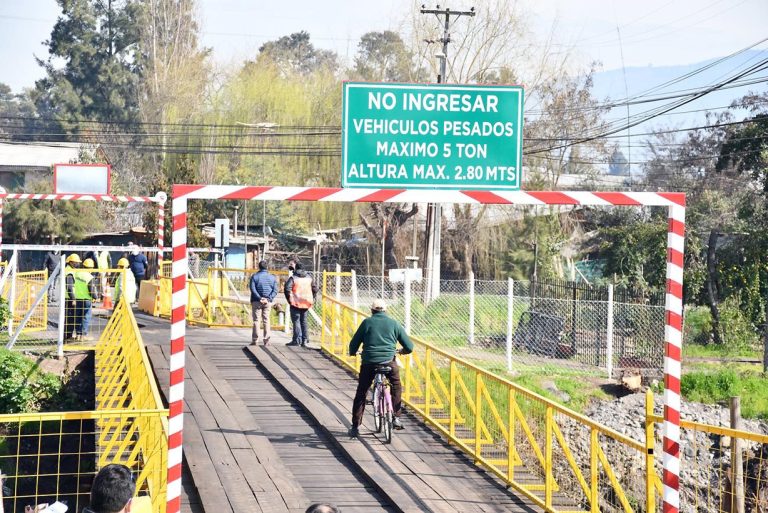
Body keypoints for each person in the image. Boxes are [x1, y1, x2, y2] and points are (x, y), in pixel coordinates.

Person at [347, 299, 413, 437]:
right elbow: (409, 346)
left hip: (369, 363)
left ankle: (355, 426)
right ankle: (396, 417)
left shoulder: (367, 323)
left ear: (372, 310)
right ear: (385, 310)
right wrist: (403, 351)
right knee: (396, 385)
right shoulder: (394, 323)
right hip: (388, 362)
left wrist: (353, 352)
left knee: (362, 391)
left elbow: (354, 342)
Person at [283, 262, 317, 347]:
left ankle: (296, 340)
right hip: (306, 302)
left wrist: (289, 300)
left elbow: (287, 289)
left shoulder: (293, 278)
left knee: (296, 321)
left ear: (296, 268)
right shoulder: (309, 278)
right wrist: (313, 298)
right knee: (304, 322)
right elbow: (315, 289)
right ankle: (304, 340)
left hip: (295, 303)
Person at [249, 260, 278, 346]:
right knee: (266, 320)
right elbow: (275, 290)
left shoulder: (254, 277)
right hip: (267, 302)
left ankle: (255, 340)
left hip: (256, 301)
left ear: (259, 267)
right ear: (267, 267)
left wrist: (259, 298)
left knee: (256, 320)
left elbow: (252, 289)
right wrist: (268, 299)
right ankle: (266, 340)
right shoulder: (272, 277)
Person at [76, 259, 99, 341]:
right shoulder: (89, 277)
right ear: (91, 268)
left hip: (77, 298)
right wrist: (96, 297)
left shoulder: (77, 273)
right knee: (86, 317)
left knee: (78, 317)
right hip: (86, 300)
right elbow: (92, 289)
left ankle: (78, 335)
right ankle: (83, 335)